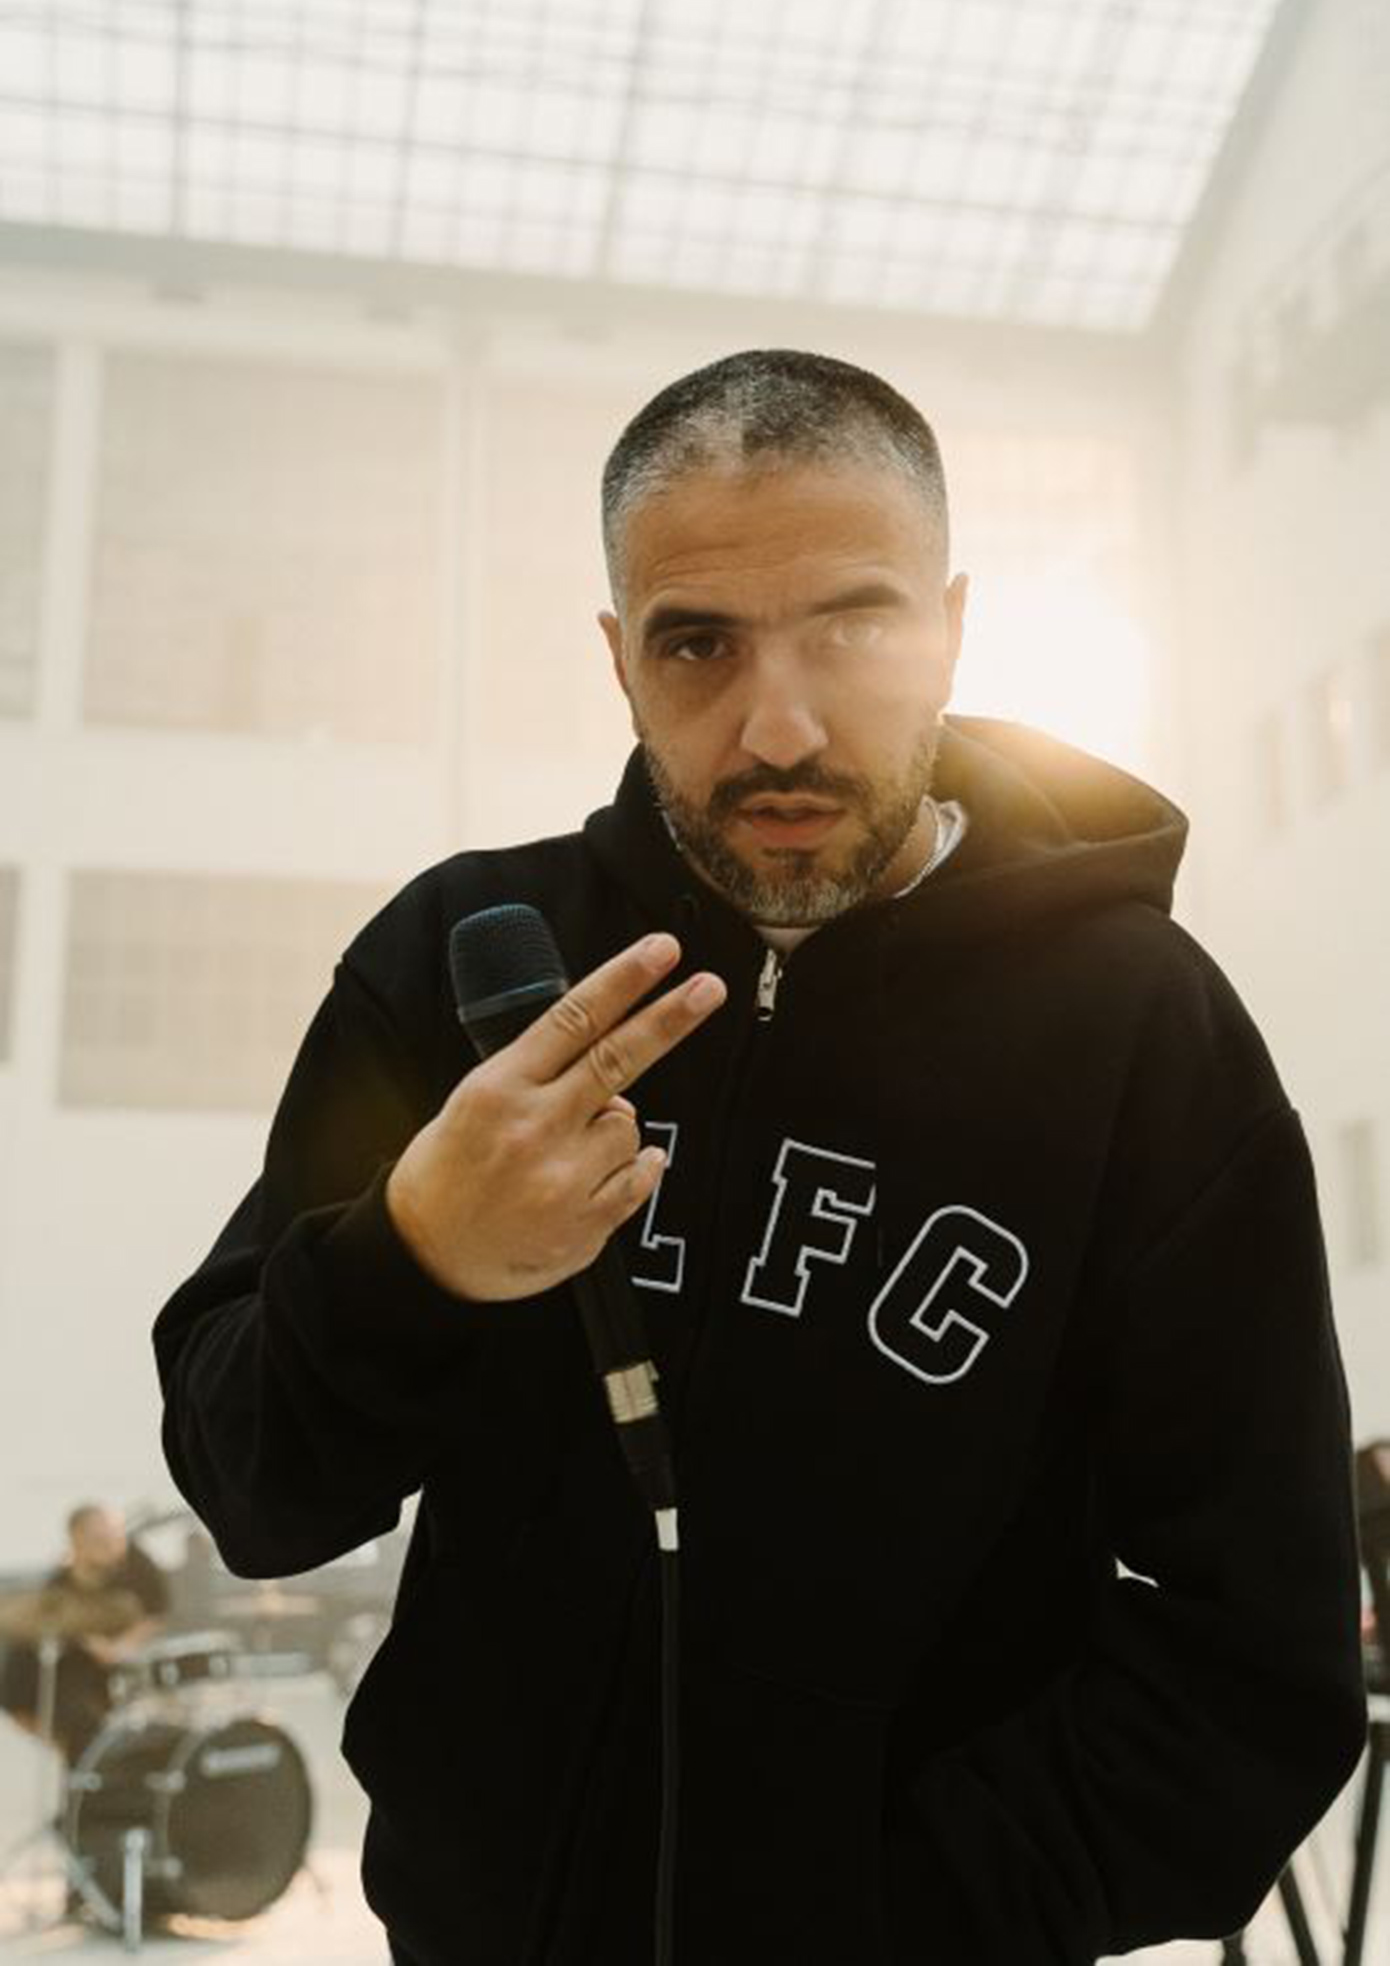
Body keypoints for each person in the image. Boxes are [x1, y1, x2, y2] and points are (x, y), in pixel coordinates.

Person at [151, 349, 1369, 1966]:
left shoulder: (1150, 1038)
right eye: (698, 644)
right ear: (619, 660)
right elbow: (248, 1489)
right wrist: (413, 1257)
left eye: (853, 629)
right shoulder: (469, 962)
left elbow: (1259, 1661)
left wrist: (902, 1914)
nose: (777, 727)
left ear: (950, 631)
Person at [0, 1503, 170, 1764]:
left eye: (112, 1535)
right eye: (98, 1540)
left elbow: (157, 1614)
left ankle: (91, 1756)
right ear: (77, 1541)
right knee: (18, 1667)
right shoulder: (61, 1580)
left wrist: (121, 1648)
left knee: (77, 1707)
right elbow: (52, 1619)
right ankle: (72, 1755)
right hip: (80, 1655)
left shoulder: (138, 1563)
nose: (111, 1544)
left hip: (128, 1655)